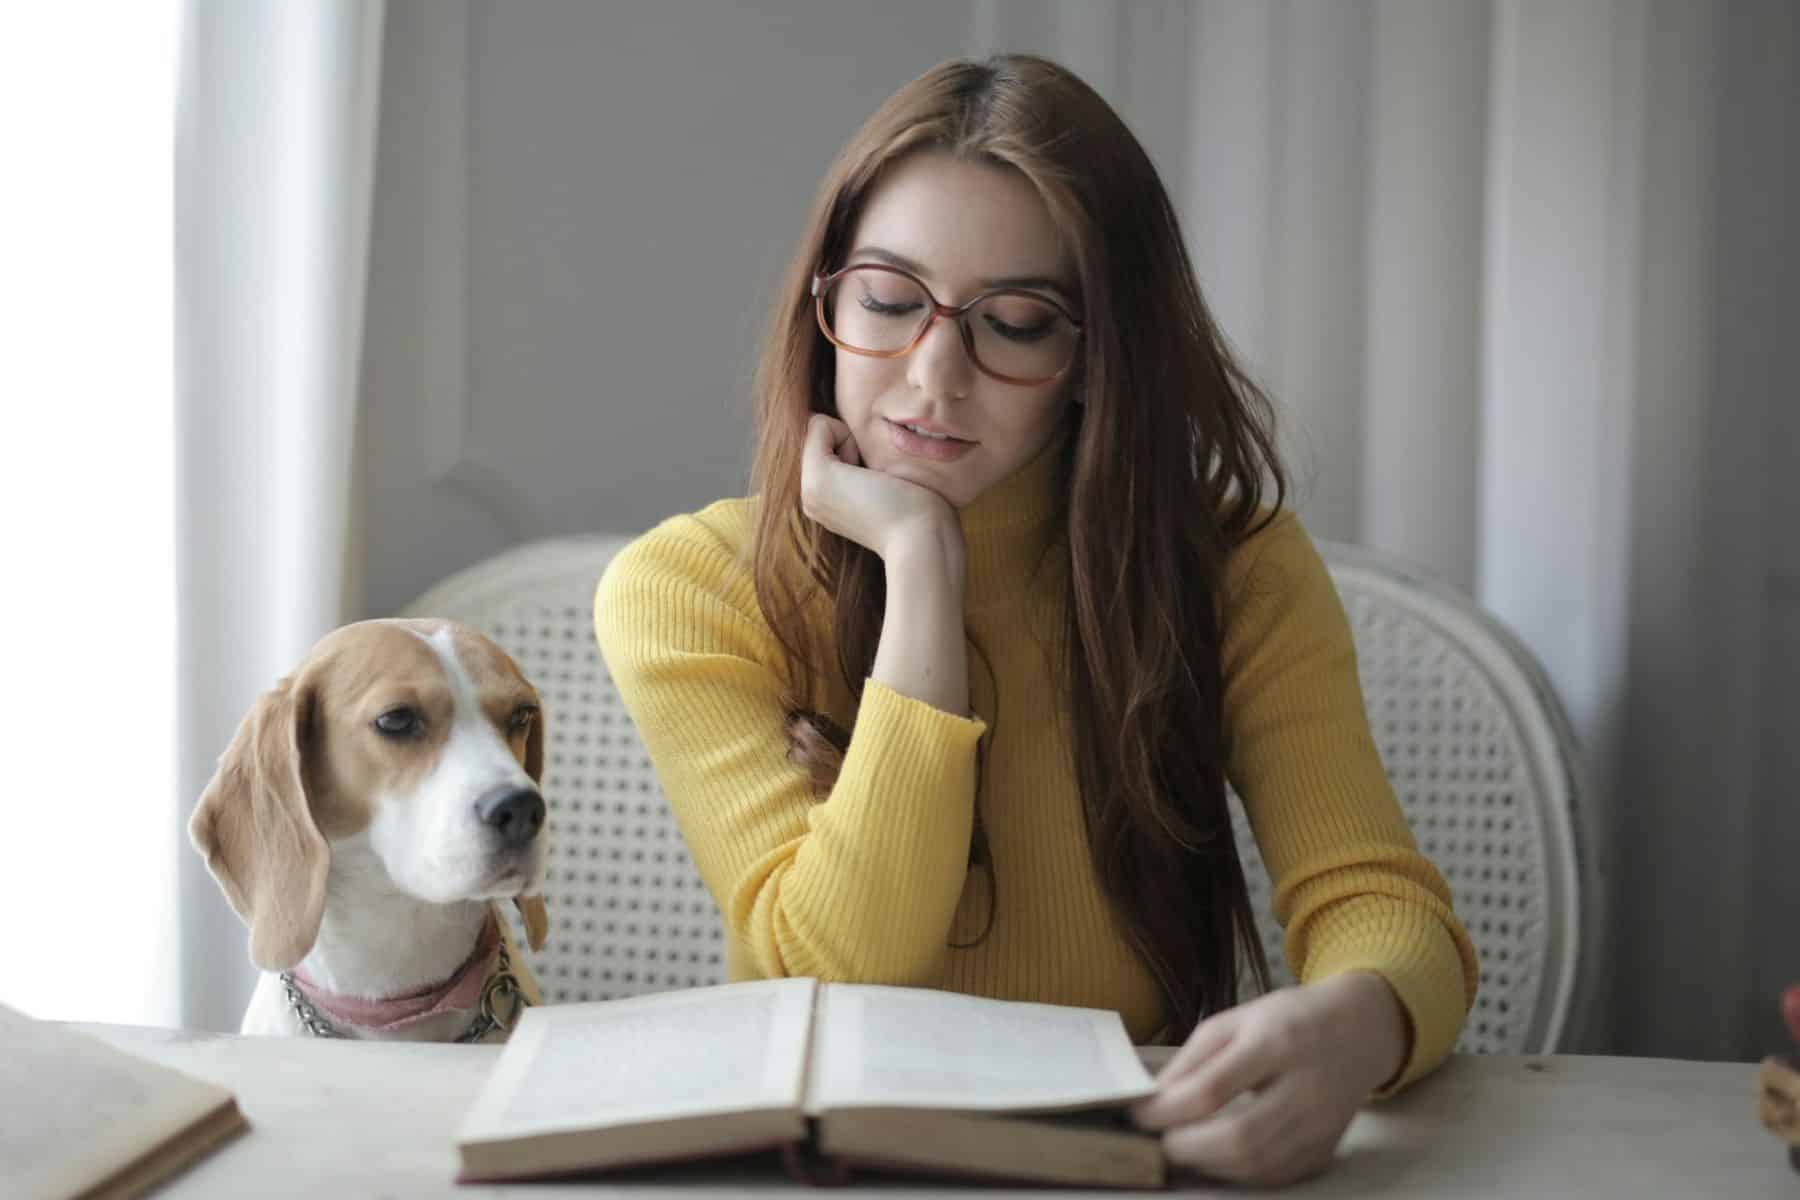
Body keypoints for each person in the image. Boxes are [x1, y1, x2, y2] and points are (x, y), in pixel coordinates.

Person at [595, 53, 1476, 1186]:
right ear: (826, 303)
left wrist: (1358, 1027)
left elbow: (1378, 900)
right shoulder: (692, 588)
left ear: (1095, 357)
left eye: (1014, 322)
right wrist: (921, 562)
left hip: (1126, 1161)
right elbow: (831, 966)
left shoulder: (1233, 572)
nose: (933, 373)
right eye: (887, 299)